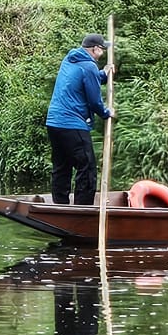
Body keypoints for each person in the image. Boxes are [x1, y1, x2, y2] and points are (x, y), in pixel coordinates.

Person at [44, 34, 112, 206]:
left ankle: (60, 206)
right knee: (87, 167)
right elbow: (94, 101)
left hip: (54, 122)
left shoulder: (70, 59)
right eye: (102, 49)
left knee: (62, 166)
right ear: (95, 49)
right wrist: (106, 113)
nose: (103, 52)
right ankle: (83, 209)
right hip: (72, 123)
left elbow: (85, 78)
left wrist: (103, 74)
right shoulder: (89, 66)